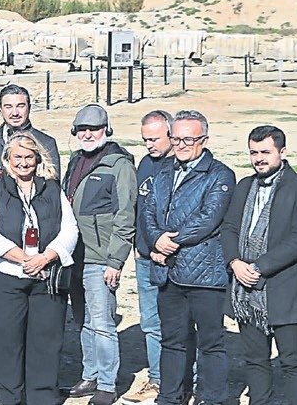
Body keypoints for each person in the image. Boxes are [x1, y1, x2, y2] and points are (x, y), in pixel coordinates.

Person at [219, 125, 297, 405]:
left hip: (286, 288)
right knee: (255, 360)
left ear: (282, 152)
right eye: (254, 153)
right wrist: (235, 262)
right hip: (245, 291)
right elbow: (229, 228)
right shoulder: (244, 186)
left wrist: (258, 267)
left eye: (265, 152)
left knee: (292, 361)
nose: (259, 159)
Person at [138, 110, 234, 405]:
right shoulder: (164, 172)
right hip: (168, 271)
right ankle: (170, 397)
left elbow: (209, 218)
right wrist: (156, 239)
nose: (180, 145)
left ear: (204, 140)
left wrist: (171, 240)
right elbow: (148, 210)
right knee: (172, 340)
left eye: (188, 139)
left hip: (204, 273)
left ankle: (212, 398)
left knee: (210, 342)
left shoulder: (220, 174)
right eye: (176, 138)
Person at [0, 133, 78, 405]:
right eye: (17, 157)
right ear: (7, 159)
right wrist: (24, 259)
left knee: (45, 341)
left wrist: (45, 258)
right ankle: (8, 397)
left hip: (45, 277)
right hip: (3, 277)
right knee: (5, 342)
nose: (23, 163)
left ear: (37, 158)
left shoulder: (52, 190)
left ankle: (42, 396)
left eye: (29, 157)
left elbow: (70, 230)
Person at [61, 103, 137, 405]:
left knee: (103, 324)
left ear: (106, 130)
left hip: (100, 258)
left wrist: (115, 261)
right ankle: (89, 375)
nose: (88, 134)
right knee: (83, 320)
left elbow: (125, 216)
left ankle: (107, 384)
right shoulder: (75, 160)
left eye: (94, 128)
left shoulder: (119, 166)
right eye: (82, 129)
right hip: (74, 257)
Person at [126, 109, 174, 403]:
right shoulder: (145, 163)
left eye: (155, 139)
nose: (149, 145)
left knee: (177, 324)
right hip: (144, 258)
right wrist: (138, 244)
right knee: (151, 323)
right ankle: (157, 379)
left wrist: (161, 246)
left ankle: (185, 380)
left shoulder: (180, 166)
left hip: (170, 258)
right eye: (145, 139)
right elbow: (139, 207)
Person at [0, 84, 61, 183]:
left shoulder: (46, 143)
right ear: (0, 109)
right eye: (8, 107)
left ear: (29, 107)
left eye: (20, 106)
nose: (15, 113)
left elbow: (53, 185)